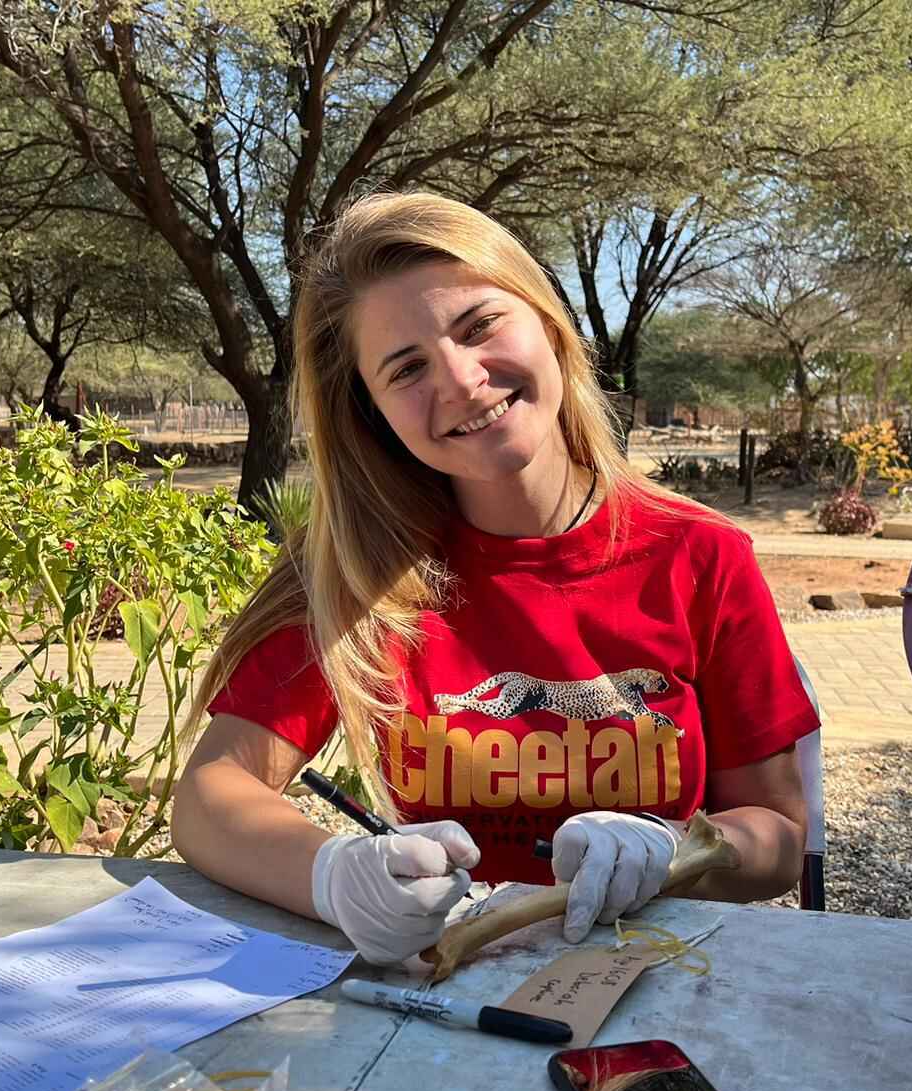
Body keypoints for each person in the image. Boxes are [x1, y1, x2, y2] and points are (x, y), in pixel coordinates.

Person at [173, 193, 820, 965]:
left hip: (650, 978)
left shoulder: (700, 554)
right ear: (373, 413)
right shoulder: (359, 566)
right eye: (406, 368)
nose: (461, 379)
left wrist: (672, 850)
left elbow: (779, 838)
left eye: (479, 326)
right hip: (446, 992)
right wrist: (332, 876)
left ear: (548, 320)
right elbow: (210, 797)